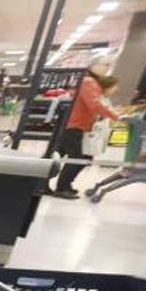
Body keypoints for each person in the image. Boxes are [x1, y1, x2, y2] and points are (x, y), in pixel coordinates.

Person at [48, 63, 120, 199]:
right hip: (77, 125)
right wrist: (116, 116)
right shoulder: (89, 82)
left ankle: (53, 185)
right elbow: (94, 104)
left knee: (60, 154)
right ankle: (62, 187)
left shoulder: (89, 82)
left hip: (76, 125)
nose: (107, 67)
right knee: (78, 157)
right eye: (105, 64)